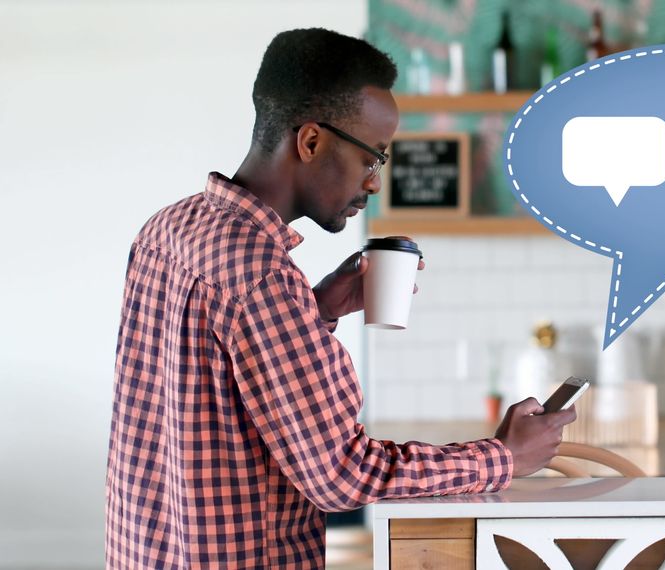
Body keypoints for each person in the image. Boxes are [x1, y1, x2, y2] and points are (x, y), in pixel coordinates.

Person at [105, 28, 576, 569]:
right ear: (310, 142)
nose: (375, 183)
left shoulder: (168, 228)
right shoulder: (259, 276)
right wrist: (504, 457)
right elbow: (341, 473)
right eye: (372, 158)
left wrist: (317, 309)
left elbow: (219, 389)